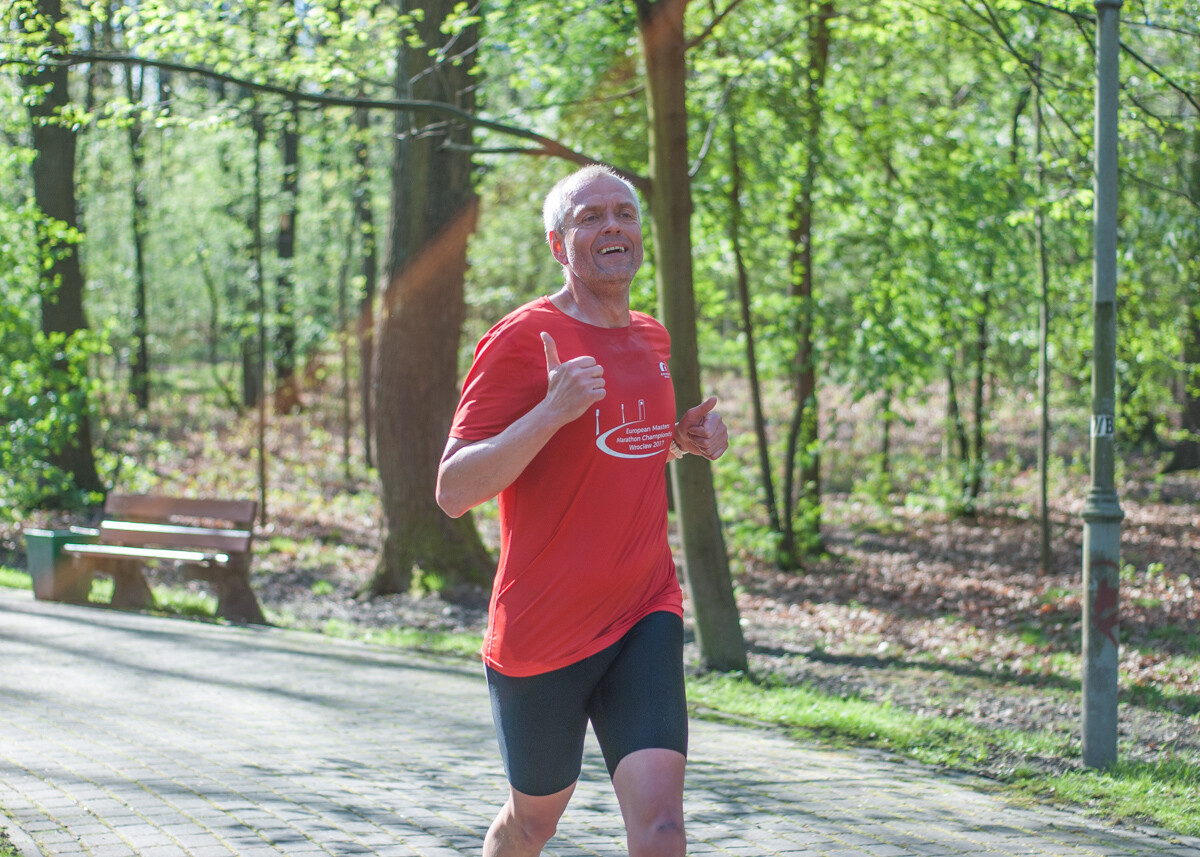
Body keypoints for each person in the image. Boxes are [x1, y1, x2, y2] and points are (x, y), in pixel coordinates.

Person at [435, 164, 729, 857]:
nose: (612, 227)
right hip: (543, 631)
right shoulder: (519, 339)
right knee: (533, 822)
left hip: (643, 608)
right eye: (590, 216)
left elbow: (620, 452)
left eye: (623, 213)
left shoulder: (652, 338)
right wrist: (550, 410)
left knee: (662, 823)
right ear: (558, 243)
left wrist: (683, 441)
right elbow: (452, 490)